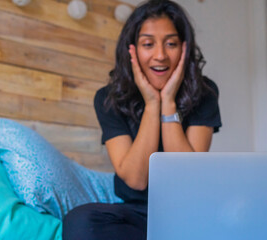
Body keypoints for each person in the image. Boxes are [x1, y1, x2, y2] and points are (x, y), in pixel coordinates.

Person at [62, 0, 221, 239]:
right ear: (132, 50)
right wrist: (152, 104)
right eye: (148, 44)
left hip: (188, 210)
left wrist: (168, 103)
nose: (160, 55)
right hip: (136, 213)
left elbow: (187, 178)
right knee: (81, 219)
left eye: (171, 44)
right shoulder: (108, 99)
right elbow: (136, 179)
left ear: (184, 50)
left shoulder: (204, 92)